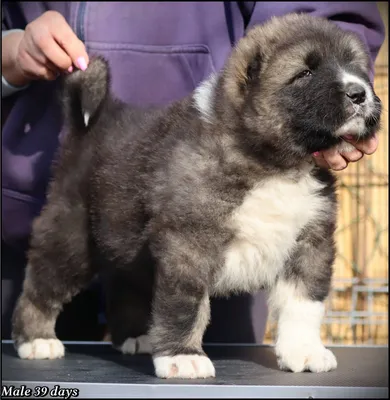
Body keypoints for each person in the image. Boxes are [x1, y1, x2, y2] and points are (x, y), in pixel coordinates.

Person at [1, 2, 385, 342]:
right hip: (32, 200)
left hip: (236, 151)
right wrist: (11, 50)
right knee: (57, 288)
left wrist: (339, 95)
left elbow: (323, 18)